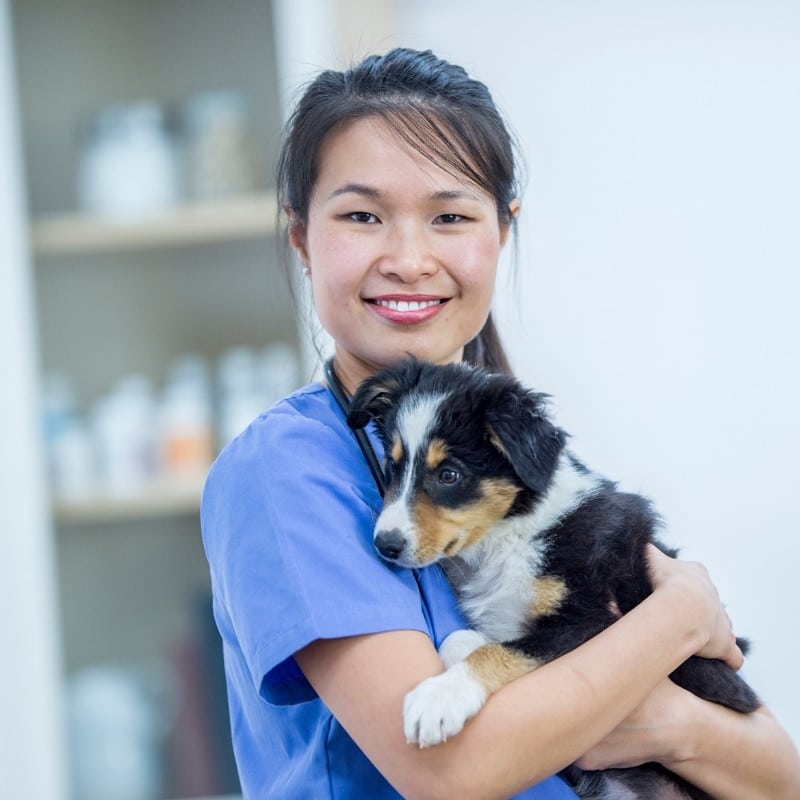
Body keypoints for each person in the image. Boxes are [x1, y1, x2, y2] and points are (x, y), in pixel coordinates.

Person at [200, 48, 800, 799]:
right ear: (300, 238)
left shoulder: (513, 461)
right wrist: (679, 615)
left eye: (449, 216)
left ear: (502, 230)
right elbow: (449, 772)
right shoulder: (290, 469)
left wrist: (668, 723)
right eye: (362, 215)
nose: (410, 258)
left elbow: (778, 774)